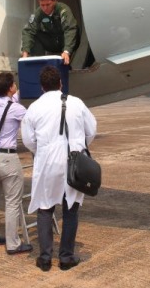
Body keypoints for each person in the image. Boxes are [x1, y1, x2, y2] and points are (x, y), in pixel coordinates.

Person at [21, 65, 97, 271]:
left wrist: (43, 151)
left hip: (47, 163)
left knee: (45, 209)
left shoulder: (34, 107)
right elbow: (92, 130)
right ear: (60, 83)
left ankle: (45, 258)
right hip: (73, 162)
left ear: (42, 86)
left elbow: (28, 140)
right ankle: (66, 257)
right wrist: (78, 146)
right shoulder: (77, 103)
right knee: (71, 210)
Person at [0, 72, 33, 255]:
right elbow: (32, 120)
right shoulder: (15, 109)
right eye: (14, 84)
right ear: (10, 87)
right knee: (12, 201)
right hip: (7, 159)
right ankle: (13, 244)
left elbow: (12, 100)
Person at [20, 0, 80, 66]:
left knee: (71, 30)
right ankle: (39, 64)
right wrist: (25, 53)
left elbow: (70, 29)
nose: (45, 8)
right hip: (53, 41)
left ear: (54, 1)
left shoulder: (63, 10)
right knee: (33, 34)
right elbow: (28, 31)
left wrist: (67, 51)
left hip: (67, 42)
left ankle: (66, 64)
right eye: (42, 5)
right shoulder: (39, 12)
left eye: (48, 5)